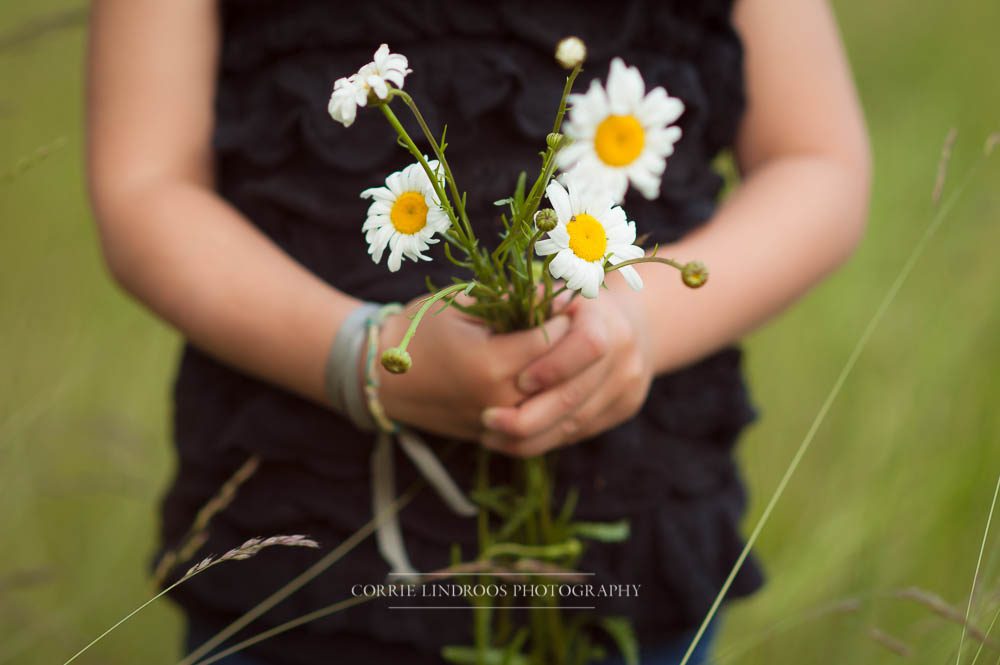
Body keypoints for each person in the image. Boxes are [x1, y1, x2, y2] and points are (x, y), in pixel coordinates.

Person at [85, 1, 871, 663]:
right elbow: (143, 184)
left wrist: (639, 318)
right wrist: (361, 354)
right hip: (303, 540)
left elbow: (817, 157)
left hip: (627, 539)